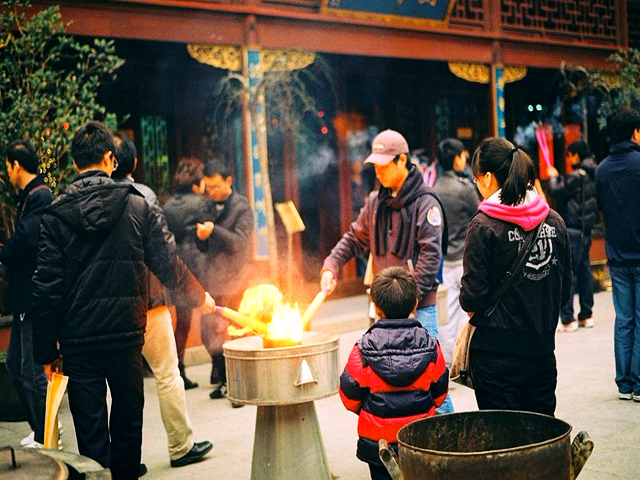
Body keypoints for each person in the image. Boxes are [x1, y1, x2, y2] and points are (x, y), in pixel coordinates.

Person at [31, 121, 215, 480]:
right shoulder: (137, 206)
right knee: (129, 432)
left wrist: (44, 352)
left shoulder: (55, 215)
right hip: (127, 334)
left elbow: (46, 288)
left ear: (74, 163)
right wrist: (198, 296)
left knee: (92, 438)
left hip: (79, 343)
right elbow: (167, 264)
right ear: (110, 158)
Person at [320, 129, 452, 413]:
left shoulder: (426, 203)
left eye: (383, 165)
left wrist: (410, 299)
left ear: (402, 160)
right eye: (375, 166)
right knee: (387, 387)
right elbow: (355, 238)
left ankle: (448, 445)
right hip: (382, 308)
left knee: (429, 386)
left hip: (418, 309)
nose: (377, 172)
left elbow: (431, 255)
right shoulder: (375, 202)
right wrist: (331, 265)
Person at [112, 133, 213, 468]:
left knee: (121, 383)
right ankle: (181, 446)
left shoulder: (92, 196)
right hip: (149, 299)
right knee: (168, 373)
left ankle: (125, 461)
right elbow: (164, 253)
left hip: (112, 303)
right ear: (134, 163)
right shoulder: (144, 195)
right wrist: (195, 294)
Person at [460, 137, 571, 416]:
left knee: (503, 444)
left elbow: (471, 296)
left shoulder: (483, 225)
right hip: (542, 351)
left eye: (476, 179)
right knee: (541, 439)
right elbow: (565, 290)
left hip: (495, 356)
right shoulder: (554, 220)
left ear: (487, 177)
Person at [339, 266, 448, 480]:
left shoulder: (363, 349)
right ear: (415, 304)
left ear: (376, 308)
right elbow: (440, 394)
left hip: (379, 446)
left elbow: (349, 397)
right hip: (419, 441)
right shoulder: (431, 346)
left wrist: (371, 409)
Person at [0, 140, 52, 449]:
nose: (7, 173)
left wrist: (5, 252)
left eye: (7, 166)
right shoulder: (30, 197)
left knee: (32, 373)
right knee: (14, 366)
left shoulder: (40, 196)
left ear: (16, 165)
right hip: (24, 297)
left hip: (33, 297)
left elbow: (28, 239)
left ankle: (46, 434)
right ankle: (40, 428)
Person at [198, 160, 253, 401]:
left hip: (235, 279)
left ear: (228, 181)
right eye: (208, 187)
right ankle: (223, 379)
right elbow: (202, 245)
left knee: (230, 333)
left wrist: (213, 231)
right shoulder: (207, 205)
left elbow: (239, 243)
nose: (212, 192)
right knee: (208, 331)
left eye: (216, 186)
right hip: (212, 279)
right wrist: (201, 236)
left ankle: (237, 386)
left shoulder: (241, 207)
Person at [595, 107, 640, 402]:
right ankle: (637, 382)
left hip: (616, 253)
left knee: (623, 317)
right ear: (634, 132)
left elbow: (603, 211)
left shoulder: (602, 170)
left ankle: (624, 383)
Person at [163, 157, 211, 389]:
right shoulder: (202, 204)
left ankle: (178, 369)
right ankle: (218, 370)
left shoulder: (168, 205)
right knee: (211, 316)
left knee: (182, 322)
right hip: (199, 267)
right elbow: (207, 237)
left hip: (176, 268)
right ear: (196, 183)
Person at [433, 138, 480, 365]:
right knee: (466, 312)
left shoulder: (433, 189)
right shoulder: (464, 189)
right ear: (456, 159)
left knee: (447, 316)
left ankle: (449, 362)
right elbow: (481, 217)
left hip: (443, 261)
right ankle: (464, 362)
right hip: (464, 258)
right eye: (463, 155)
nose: (465, 159)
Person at [548, 140, 597, 332]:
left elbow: (557, 192)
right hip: (587, 230)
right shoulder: (592, 173)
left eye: (570, 155)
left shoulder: (576, 176)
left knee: (568, 273)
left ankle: (568, 318)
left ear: (576, 155)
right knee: (584, 272)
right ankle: (587, 314)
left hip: (573, 229)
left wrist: (552, 177)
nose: (568, 159)